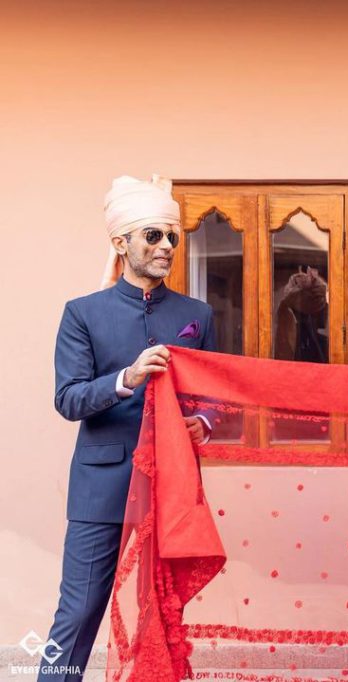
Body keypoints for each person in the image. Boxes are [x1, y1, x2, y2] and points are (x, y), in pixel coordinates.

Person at [40, 175, 216, 680]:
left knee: (162, 612)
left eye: (172, 237)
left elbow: (214, 395)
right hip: (102, 485)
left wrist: (203, 420)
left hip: (171, 485)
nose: (166, 247)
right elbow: (68, 399)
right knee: (77, 614)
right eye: (153, 236)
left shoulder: (196, 314)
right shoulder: (83, 314)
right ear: (121, 243)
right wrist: (127, 378)